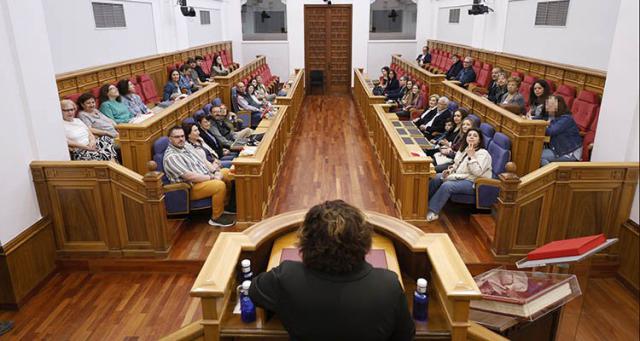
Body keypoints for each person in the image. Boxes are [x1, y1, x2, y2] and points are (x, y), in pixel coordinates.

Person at [249, 200, 415, 341]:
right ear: (363, 241)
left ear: (306, 240)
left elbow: (254, 292)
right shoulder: (388, 285)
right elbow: (406, 335)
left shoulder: (286, 277)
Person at [163, 126, 236, 227]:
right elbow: (190, 176)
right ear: (170, 139)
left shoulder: (187, 146)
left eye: (182, 136)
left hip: (205, 177)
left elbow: (203, 160)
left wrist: (215, 171)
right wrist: (212, 177)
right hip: (191, 187)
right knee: (218, 185)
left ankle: (227, 206)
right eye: (177, 137)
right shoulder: (171, 157)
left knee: (228, 173)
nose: (181, 139)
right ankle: (216, 217)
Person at [427, 128, 492, 221]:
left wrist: (471, 157)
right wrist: (450, 170)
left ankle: (433, 211)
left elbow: (477, 172)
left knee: (447, 185)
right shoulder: (465, 148)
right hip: (460, 176)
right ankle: (424, 202)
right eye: (469, 135)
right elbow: (457, 164)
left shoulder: (483, 153)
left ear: (480, 140)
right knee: (436, 177)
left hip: (473, 181)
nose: (472, 137)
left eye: (475, 136)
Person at [540, 95, 583, 166]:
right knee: (535, 154)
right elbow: (540, 118)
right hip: (557, 148)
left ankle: (550, 176)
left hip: (568, 152)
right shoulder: (552, 116)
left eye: (550, 105)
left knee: (538, 157)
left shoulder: (566, 119)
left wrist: (539, 126)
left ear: (558, 106)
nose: (546, 107)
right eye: (546, 104)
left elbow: (551, 131)